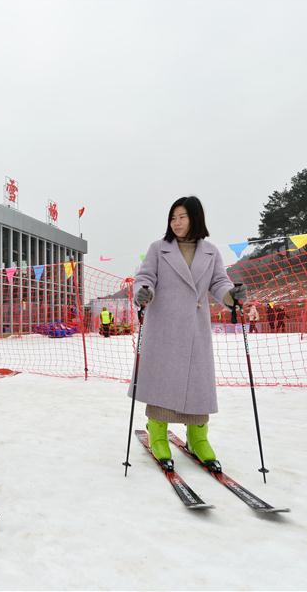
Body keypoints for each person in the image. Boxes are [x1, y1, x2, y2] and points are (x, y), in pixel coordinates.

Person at [131, 196, 246, 471]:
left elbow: (219, 282)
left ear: (195, 218)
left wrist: (231, 295)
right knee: (162, 382)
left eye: (182, 217)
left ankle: (198, 437)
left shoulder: (211, 252)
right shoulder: (159, 249)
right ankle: (157, 433)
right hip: (165, 328)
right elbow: (144, 277)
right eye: (173, 217)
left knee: (198, 384)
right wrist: (143, 291)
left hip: (195, 329)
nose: (177, 222)